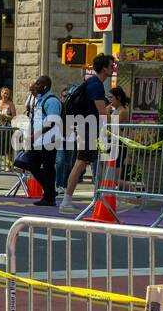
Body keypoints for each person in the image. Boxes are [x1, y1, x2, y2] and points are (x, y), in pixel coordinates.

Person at [60, 53, 114, 213]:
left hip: (86, 128)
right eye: (111, 66)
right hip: (88, 129)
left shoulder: (92, 83)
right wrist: (117, 123)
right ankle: (66, 201)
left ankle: (89, 198)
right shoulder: (96, 85)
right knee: (81, 163)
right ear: (104, 68)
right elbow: (102, 113)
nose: (113, 68)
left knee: (85, 163)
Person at [28, 75, 62, 207]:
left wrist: (36, 134)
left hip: (49, 140)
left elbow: (52, 121)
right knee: (31, 163)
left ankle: (49, 197)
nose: (35, 86)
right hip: (39, 140)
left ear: (45, 86)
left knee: (48, 168)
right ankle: (50, 191)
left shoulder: (51, 101)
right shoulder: (39, 100)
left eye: (38, 84)